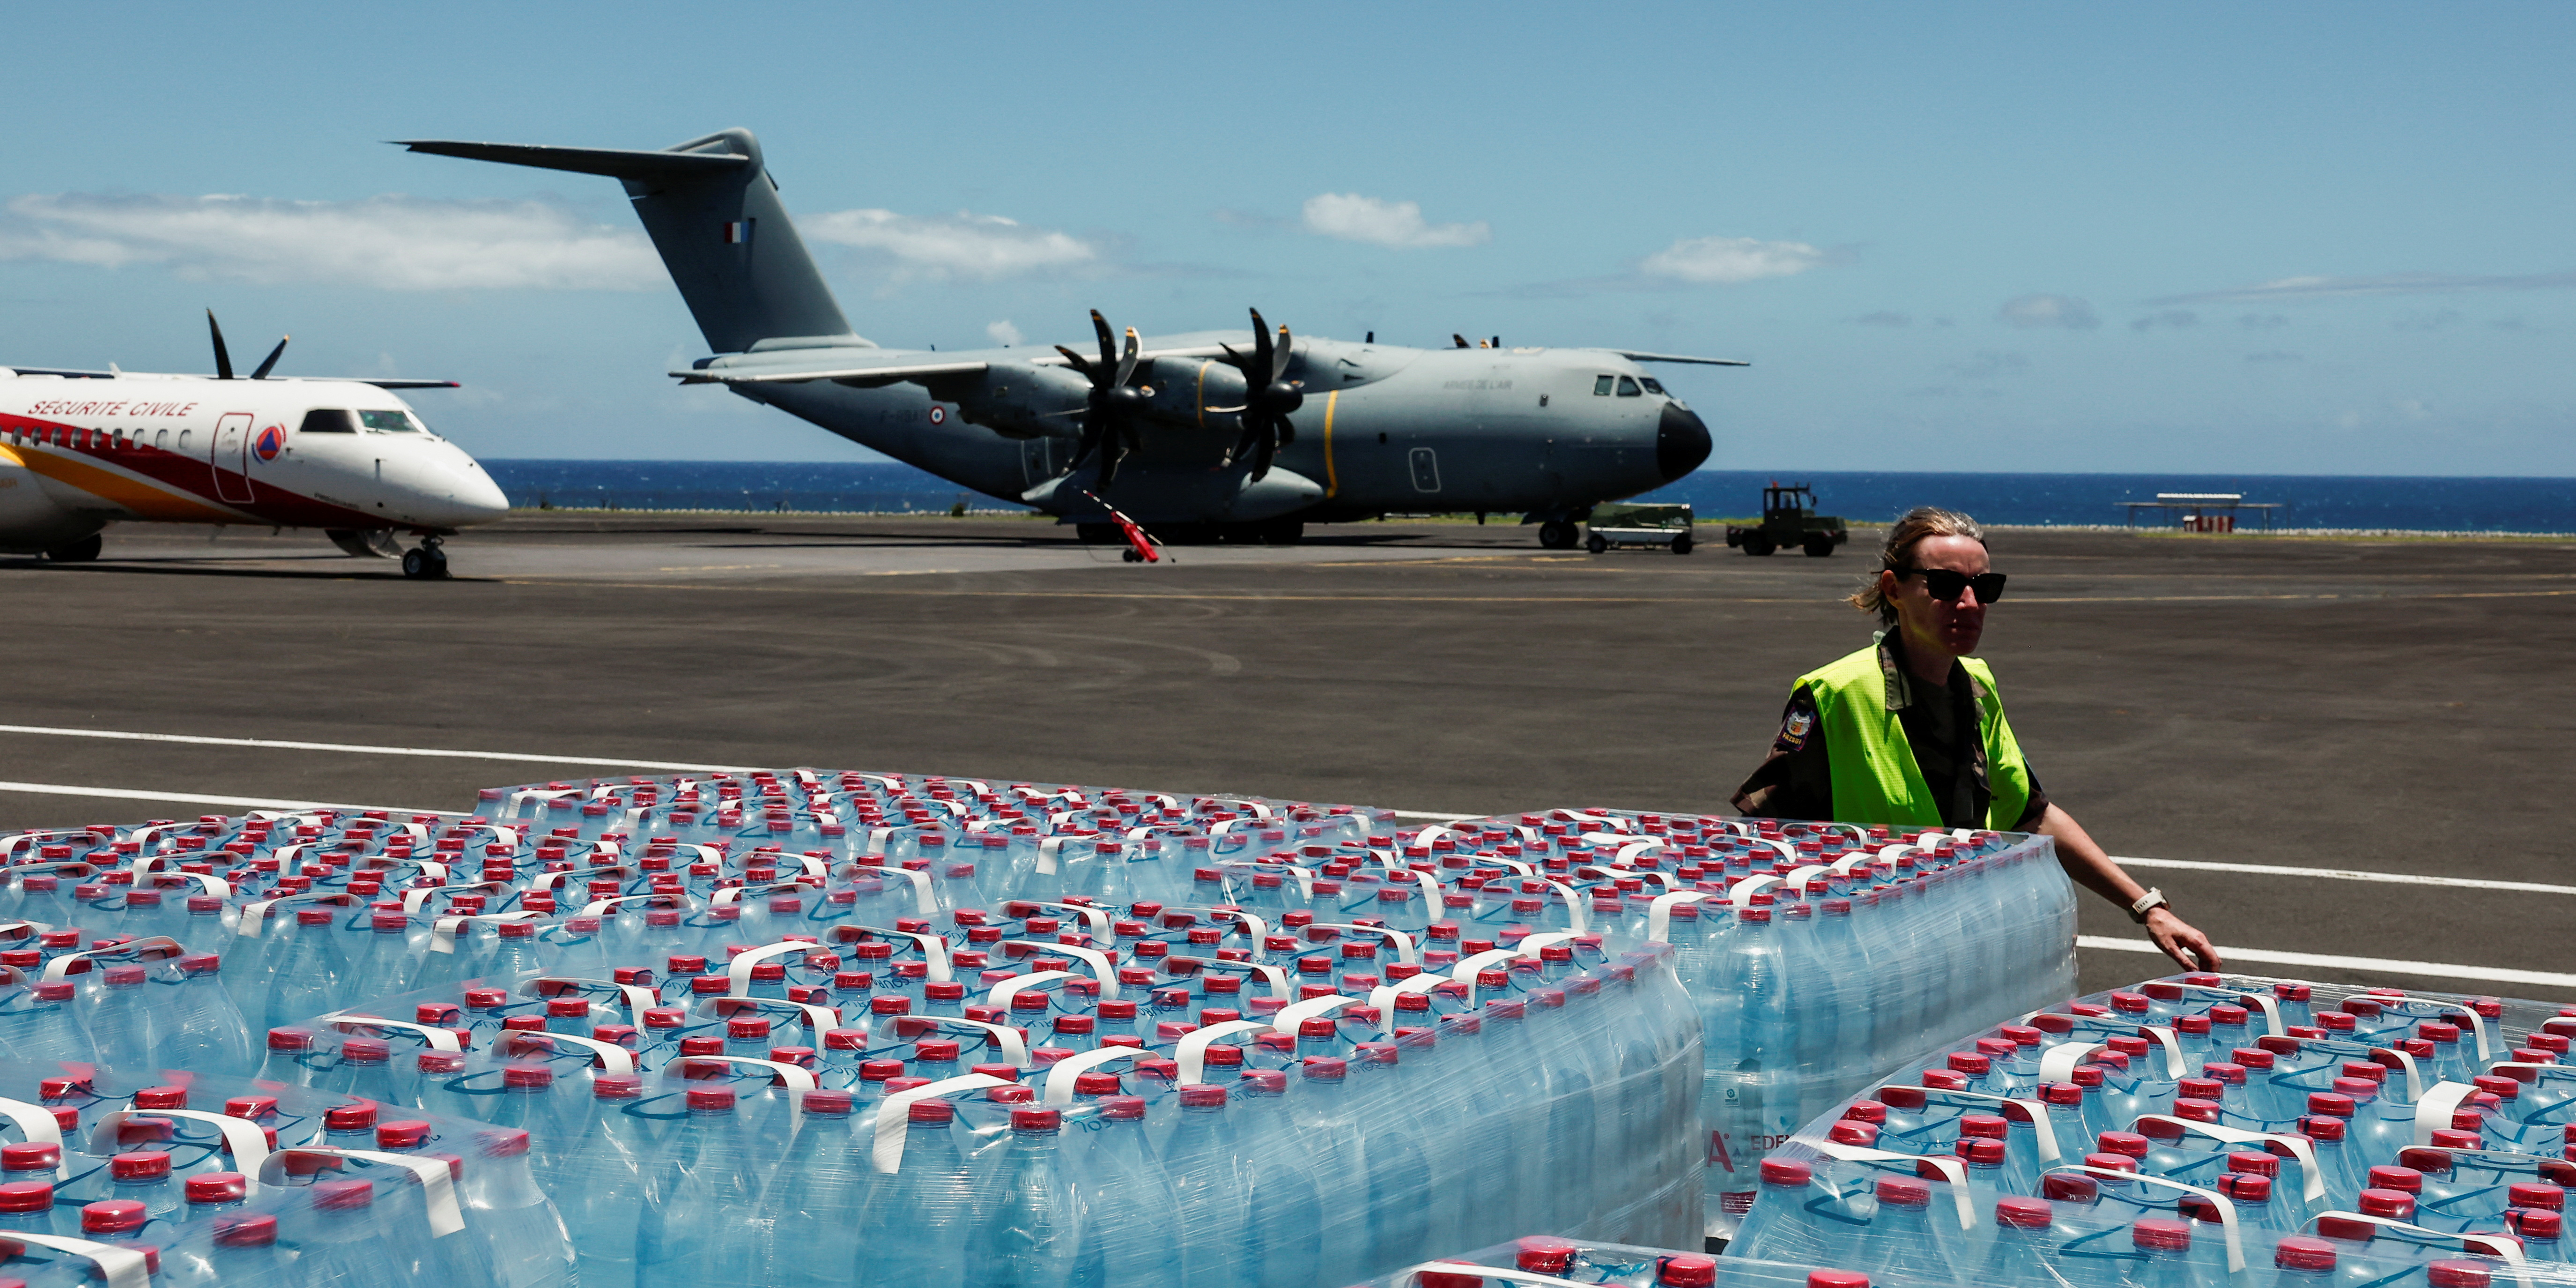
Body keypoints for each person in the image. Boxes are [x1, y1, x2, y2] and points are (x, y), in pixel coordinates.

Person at [1731, 506, 2221, 972]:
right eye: (1944, 585)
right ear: (1893, 589)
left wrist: (2146, 906)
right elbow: (1768, 841)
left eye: (1984, 586)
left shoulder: (1976, 686)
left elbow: (2032, 813)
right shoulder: (1834, 694)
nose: (1968, 604)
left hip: (1959, 952)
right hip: (1862, 960)